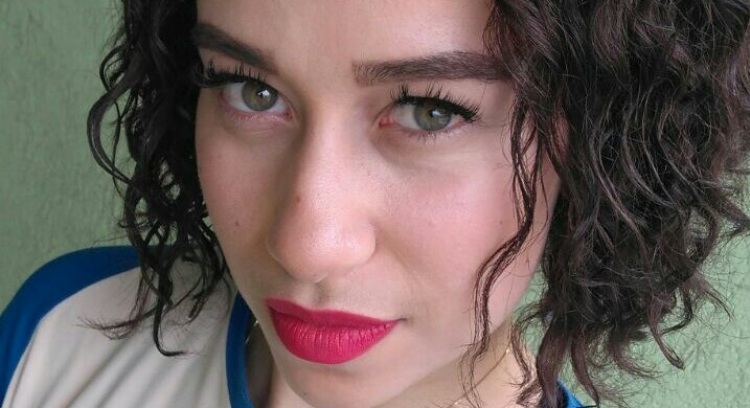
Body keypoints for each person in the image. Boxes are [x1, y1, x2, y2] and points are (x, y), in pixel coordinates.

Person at [1, 0, 749, 407]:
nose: (307, 244)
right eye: (249, 90)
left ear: (595, 139)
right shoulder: (62, 335)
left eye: (429, 110)